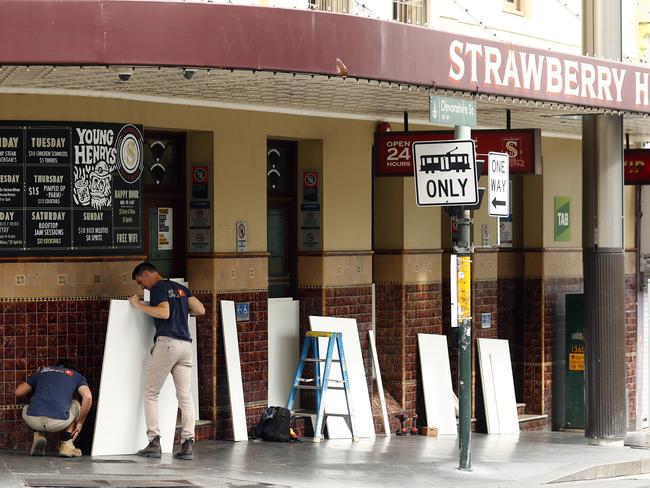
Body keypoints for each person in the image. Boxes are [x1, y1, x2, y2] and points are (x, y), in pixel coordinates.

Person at [130, 262, 205, 460]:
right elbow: (200, 309)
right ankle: (188, 443)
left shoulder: (158, 288)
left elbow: (164, 312)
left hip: (168, 343)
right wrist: (181, 311)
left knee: (150, 392)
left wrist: (138, 305)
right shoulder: (181, 288)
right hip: (186, 346)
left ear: (146, 274)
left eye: (140, 282)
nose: (142, 287)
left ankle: (154, 441)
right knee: (185, 396)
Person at [15, 359, 92, 457]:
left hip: (33, 420)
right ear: (73, 369)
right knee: (75, 403)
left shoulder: (43, 371)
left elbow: (18, 392)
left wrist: (36, 377)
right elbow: (88, 397)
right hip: (58, 423)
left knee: (28, 407)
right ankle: (66, 444)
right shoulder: (76, 376)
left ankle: (38, 435)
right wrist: (80, 423)